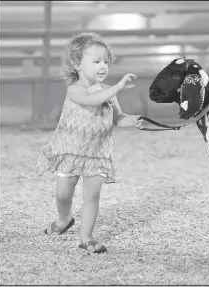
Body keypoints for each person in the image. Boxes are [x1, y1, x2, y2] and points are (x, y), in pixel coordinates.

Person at [36, 32, 143, 253]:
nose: (103, 66)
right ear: (76, 64)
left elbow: (117, 119)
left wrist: (133, 120)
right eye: (96, 61)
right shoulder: (75, 90)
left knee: (92, 195)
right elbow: (90, 100)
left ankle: (87, 237)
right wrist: (118, 87)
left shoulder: (108, 92)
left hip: (97, 154)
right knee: (63, 194)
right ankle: (64, 219)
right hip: (70, 152)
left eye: (106, 62)